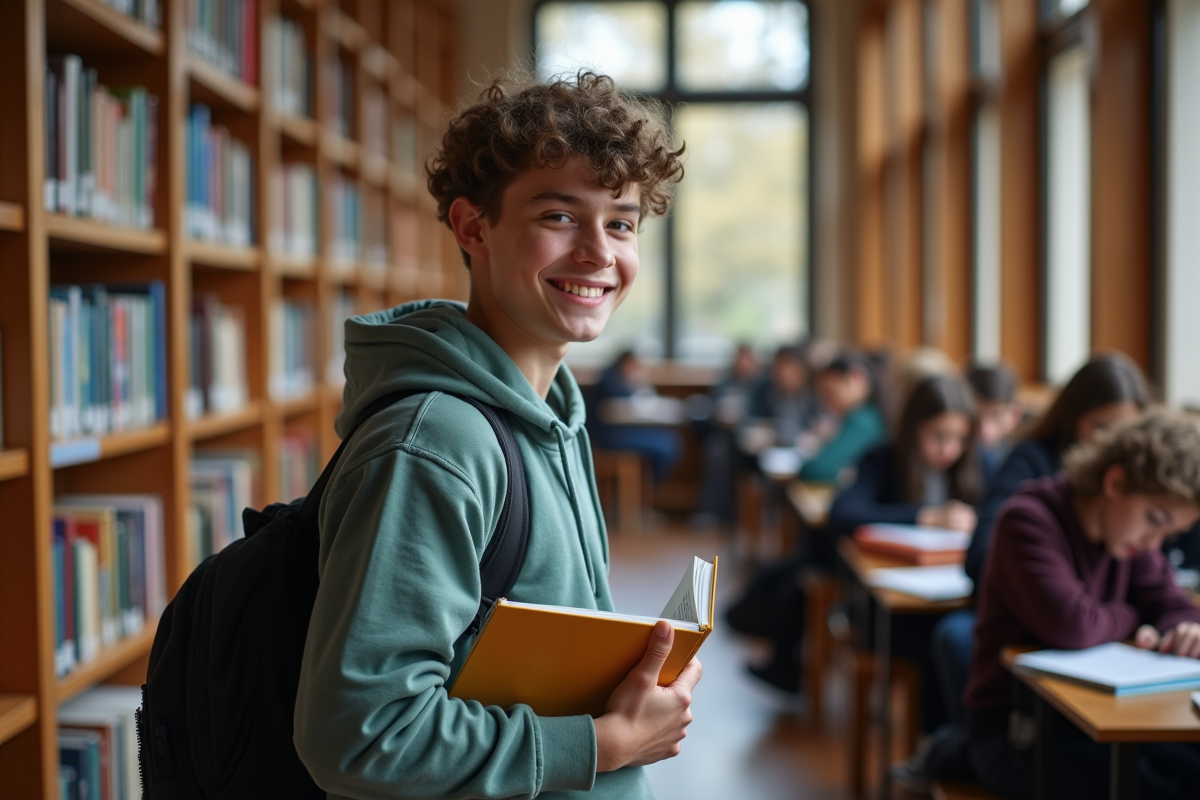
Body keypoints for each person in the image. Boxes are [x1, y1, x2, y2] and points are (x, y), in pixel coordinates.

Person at [292, 72, 699, 799]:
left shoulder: (553, 413)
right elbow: (361, 734)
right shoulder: (437, 446)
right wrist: (603, 745)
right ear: (473, 227)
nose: (601, 253)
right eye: (560, 216)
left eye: (622, 222)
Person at [964, 411, 1200, 799]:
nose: (1153, 543)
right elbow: (1072, 624)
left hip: (1107, 723)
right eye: (1154, 519)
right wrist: (1134, 616)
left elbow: (1174, 604)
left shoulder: (1130, 537)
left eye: (1168, 533)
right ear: (1115, 481)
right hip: (1015, 736)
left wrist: (1183, 627)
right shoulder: (1027, 520)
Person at [588, 349, 684, 484]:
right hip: (608, 437)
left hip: (622, 432)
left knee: (669, 441)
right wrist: (635, 383)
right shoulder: (609, 380)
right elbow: (619, 408)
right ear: (625, 363)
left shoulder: (622, 379)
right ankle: (645, 490)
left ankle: (644, 491)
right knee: (666, 445)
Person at [796, 350, 888, 483]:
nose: (825, 403)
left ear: (856, 378)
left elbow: (814, 469)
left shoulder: (863, 420)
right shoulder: (871, 415)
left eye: (829, 392)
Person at [965, 361, 1023, 484]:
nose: (985, 429)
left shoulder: (1024, 455)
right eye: (974, 416)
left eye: (996, 416)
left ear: (1015, 414)